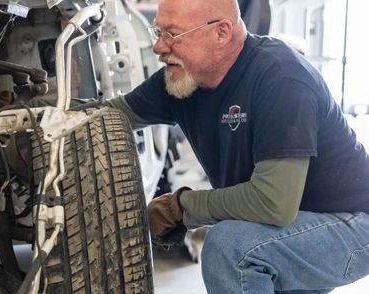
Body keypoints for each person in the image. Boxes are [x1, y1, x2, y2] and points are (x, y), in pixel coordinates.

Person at [105, 0, 369, 293]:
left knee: (232, 247)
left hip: (354, 223)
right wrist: (51, 116)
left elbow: (273, 204)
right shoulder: (180, 80)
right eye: (158, 33)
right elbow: (106, 117)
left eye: (173, 35)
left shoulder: (280, 78)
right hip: (295, 221)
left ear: (221, 32)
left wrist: (181, 208)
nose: (159, 47)